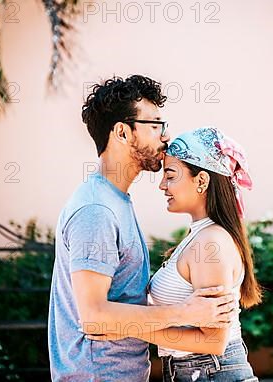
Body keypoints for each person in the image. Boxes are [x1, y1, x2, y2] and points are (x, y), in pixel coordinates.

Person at [48, 75, 238, 382]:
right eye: (156, 125)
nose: (165, 136)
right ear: (123, 132)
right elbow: (94, 317)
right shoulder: (97, 210)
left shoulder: (116, 201)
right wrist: (186, 313)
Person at [88, 126, 262, 382]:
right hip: (197, 372)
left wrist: (126, 328)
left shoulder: (210, 243)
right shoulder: (199, 237)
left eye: (170, 175)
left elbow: (214, 341)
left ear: (201, 181)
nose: (162, 185)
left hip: (210, 372)